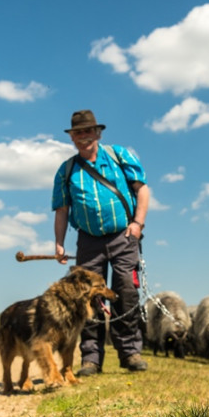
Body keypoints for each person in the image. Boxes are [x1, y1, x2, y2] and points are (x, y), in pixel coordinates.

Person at [52, 109, 150, 375]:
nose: (83, 136)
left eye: (87, 131)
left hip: (124, 236)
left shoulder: (120, 156)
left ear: (97, 132)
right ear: (72, 137)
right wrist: (59, 243)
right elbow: (61, 210)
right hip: (88, 241)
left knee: (126, 292)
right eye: (77, 132)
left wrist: (137, 224)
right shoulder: (67, 170)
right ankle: (91, 358)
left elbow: (142, 190)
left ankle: (130, 353)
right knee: (87, 298)